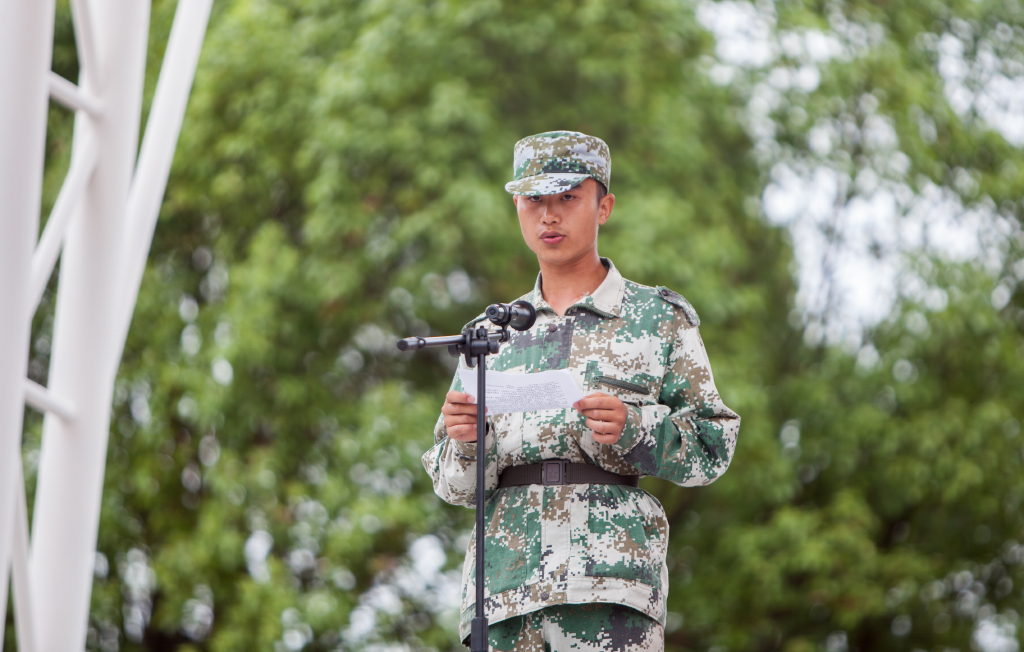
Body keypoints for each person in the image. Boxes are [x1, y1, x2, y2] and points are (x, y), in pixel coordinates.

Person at [422, 131, 741, 651]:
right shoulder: (489, 334)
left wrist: (635, 429)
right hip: (502, 596)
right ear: (518, 208)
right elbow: (454, 486)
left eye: (568, 198)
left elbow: (714, 443)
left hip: (610, 590)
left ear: (604, 207)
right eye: (534, 200)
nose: (549, 215)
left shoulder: (658, 318)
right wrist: (466, 441)